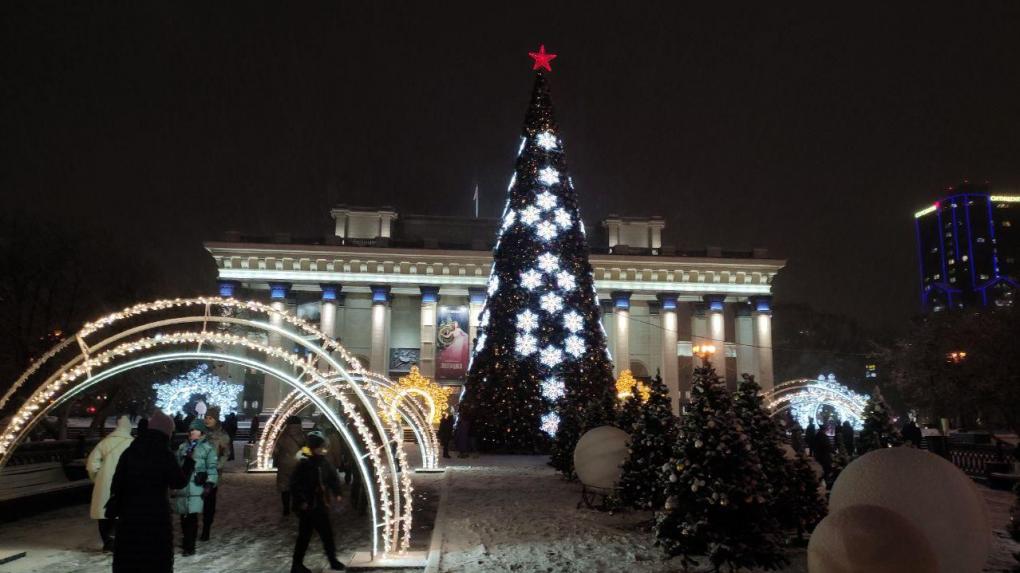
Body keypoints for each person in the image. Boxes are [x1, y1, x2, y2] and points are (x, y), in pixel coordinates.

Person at [109, 411, 195, 573]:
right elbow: (178, 482)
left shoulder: (130, 452)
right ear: (166, 433)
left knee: (130, 557)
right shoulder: (164, 454)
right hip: (156, 517)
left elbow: (116, 484)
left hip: (130, 516)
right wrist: (189, 463)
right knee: (155, 558)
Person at [290, 430, 345, 573]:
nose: (323, 450)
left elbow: (332, 477)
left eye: (323, 447)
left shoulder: (323, 462)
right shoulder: (304, 463)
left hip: (319, 504)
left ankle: (331, 560)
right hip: (308, 506)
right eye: (320, 447)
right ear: (313, 448)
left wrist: (337, 492)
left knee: (323, 534)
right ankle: (297, 564)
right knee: (307, 535)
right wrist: (302, 500)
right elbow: (295, 484)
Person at [86, 415, 134, 551]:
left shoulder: (104, 443)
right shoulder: (133, 443)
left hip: (104, 482)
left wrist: (97, 478)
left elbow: (91, 465)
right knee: (123, 512)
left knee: (104, 512)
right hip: (126, 483)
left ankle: (107, 541)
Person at [172, 419, 218, 556]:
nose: (192, 432)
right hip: (183, 487)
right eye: (191, 430)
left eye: (195, 430)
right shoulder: (182, 448)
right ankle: (187, 540)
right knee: (183, 518)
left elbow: (212, 468)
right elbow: (176, 466)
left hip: (197, 488)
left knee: (192, 517)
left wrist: (209, 483)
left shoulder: (207, 448)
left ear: (201, 432)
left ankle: (189, 546)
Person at [201, 406, 231, 541]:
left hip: (213, 474)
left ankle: (206, 528)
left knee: (209, 502)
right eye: (206, 417)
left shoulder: (222, 436)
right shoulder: (201, 432)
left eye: (210, 418)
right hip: (199, 471)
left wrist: (217, 466)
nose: (207, 420)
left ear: (216, 419)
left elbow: (226, 454)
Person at [275, 415, 306, 516]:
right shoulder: (303, 435)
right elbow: (307, 450)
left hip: (284, 464)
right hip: (299, 464)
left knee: (285, 487)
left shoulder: (283, 436)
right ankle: (295, 506)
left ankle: (286, 509)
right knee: (297, 486)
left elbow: (276, 450)